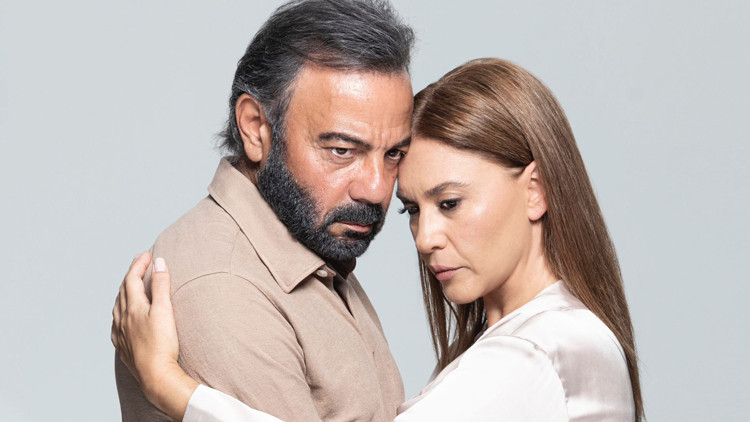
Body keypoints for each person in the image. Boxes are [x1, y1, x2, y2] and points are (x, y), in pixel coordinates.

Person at [113, 58, 645, 421]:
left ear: (535, 191)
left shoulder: (538, 353)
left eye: (450, 203)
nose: (424, 238)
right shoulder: (543, 342)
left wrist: (170, 387)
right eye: (412, 209)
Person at [114, 1, 416, 421]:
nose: (378, 188)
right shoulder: (225, 287)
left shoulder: (312, 249)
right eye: (342, 150)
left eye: (394, 153)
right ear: (256, 128)